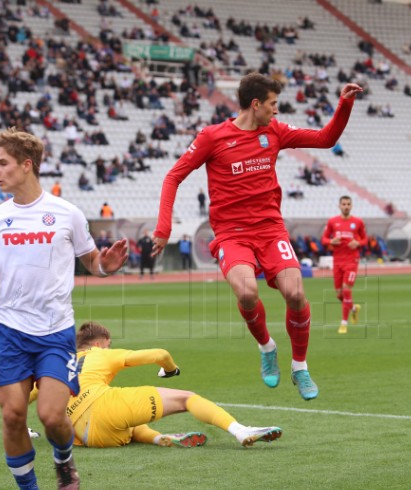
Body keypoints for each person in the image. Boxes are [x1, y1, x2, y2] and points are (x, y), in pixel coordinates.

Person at [0, 128, 128, 490]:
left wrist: (105, 268)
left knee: (50, 416)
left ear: (26, 165)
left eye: (2, 163)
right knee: (13, 415)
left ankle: (64, 459)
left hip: (55, 334)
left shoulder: (67, 213)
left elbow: (91, 261)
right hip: (11, 332)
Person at [152, 72, 362, 399]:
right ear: (256, 104)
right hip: (232, 234)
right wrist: (163, 228)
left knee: (295, 293)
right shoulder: (212, 136)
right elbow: (173, 177)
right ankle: (266, 347)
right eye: (273, 104)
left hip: (269, 229)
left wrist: (344, 105)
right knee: (247, 293)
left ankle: (300, 367)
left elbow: (325, 139)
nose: (277, 111)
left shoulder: (274, 131)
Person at [35, 321, 282, 448]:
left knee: (131, 423)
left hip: (85, 437)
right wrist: (170, 369)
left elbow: (28, 394)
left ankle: (159, 439)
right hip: (104, 408)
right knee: (187, 398)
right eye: (108, 345)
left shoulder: (58, 364)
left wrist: (24, 430)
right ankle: (240, 431)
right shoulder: (101, 354)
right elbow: (159, 354)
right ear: (99, 344)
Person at [321, 196, 367, 334]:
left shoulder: (358, 222)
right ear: (339, 206)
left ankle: (343, 323)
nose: (346, 206)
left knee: (346, 289)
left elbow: (365, 239)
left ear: (351, 206)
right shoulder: (332, 222)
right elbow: (323, 239)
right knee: (339, 294)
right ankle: (354, 309)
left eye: (348, 204)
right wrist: (331, 241)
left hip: (352, 260)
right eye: (344, 204)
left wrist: (358, 243)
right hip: (337, 261)